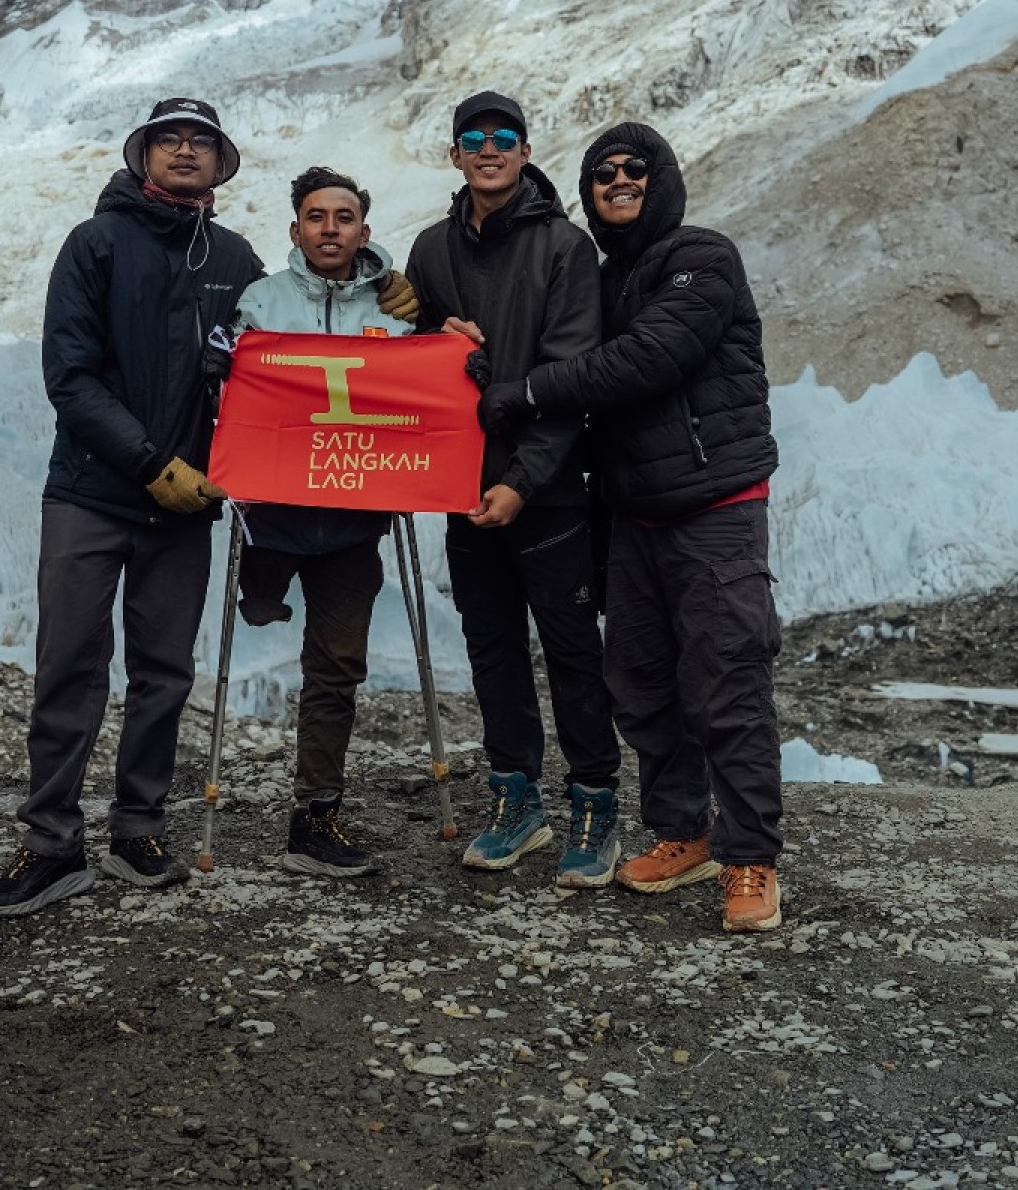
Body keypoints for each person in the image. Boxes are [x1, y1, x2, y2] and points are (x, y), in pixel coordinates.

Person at [476, 121, 783, 932]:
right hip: (633, 516)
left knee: (728, 684)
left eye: (634, 168)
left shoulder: (703, 258)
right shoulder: (602, 280)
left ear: (663, 178)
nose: (618, 180)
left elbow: (647, 359)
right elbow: (566, 359)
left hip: (715, 510)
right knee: (643, 686)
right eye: (602, 172)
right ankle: (685, 833)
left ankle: (751, 858)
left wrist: (525, 392)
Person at [0, 97, 263, 916]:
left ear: (219, 162)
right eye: (170, 138)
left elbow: (275, 364)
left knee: (163, 674)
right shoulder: (95, 243)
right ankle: (51, 844)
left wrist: (382, 289)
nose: (185, 150)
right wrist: (149, 463)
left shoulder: (235, 259)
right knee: (70, 664)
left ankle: (139, 828)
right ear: (144, 154)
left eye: (201, 141)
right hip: (92, 493)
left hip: (184, 506)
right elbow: (70, 376)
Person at [403, 90, 621, 887]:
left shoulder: (565, 248)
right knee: (492, 647)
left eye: (504, 136)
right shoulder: (431, 250)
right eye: (474, 137)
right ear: (454, 154)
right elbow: (415, 366)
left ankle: (595, 805)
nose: (488, 148)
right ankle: (516, 801)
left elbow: (573, 377)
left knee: (572, 652)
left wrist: (523, 482)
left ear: (526, 152)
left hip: (549, 494)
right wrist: (429, 338)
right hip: (465, 490)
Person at [226, 166, 418, 877]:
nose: (329, 228)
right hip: (274, 516)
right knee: (264, 611)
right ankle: (261, 591)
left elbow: (420, 391)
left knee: (336, 665)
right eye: (316, 216)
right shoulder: (262, 301)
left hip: (352, 521)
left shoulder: (394, 312)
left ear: (364, 232)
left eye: (343, 217)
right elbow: (233, 391)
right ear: (295, 229)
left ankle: (316, 815)